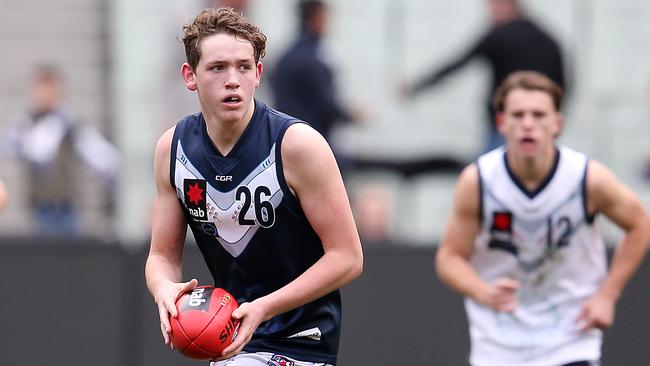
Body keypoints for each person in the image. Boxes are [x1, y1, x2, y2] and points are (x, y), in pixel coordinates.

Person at [145, 7, 363, 366]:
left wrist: (264, 307)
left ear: (258, 73)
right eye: (218, 68)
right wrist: (164, 288)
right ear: (190, 76)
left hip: (300, 343)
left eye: (244, 67)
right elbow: (161, 256)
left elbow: (348, 257)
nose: (233, 80)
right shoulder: (173, 149)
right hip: (231, 342)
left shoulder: (297, 145)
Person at [435, 71, 650, 366]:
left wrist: (607, 295)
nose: (528, 124)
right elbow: (449, 258)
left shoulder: (587, 179)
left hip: (570, 340)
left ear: (557, 123)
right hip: (498, 345)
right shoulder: (479, 181)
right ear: (501, 123)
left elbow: (640, 224)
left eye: (538, 115)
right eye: (518, 114)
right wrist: (482, 291)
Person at [403, 0, 565, 153]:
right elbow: (563, 84)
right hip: (541, 129)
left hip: (505, 128)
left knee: (485, 177)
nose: (490, 13)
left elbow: (457, 63)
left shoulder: (498, 35)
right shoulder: (548, 39)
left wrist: (415, 87)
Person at [5, 65, 119, 236]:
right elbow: (11, 146)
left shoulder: (69, 122)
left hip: (67, 204)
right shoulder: (27, 123)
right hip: (40, 205)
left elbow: (98, 154)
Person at [270, 0, 361, 150]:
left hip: (284, 138)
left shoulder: (284, 57)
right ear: (315, 20)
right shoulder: (313, 60)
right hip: (311, 142)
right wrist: (352, 116)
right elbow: (327, 106)